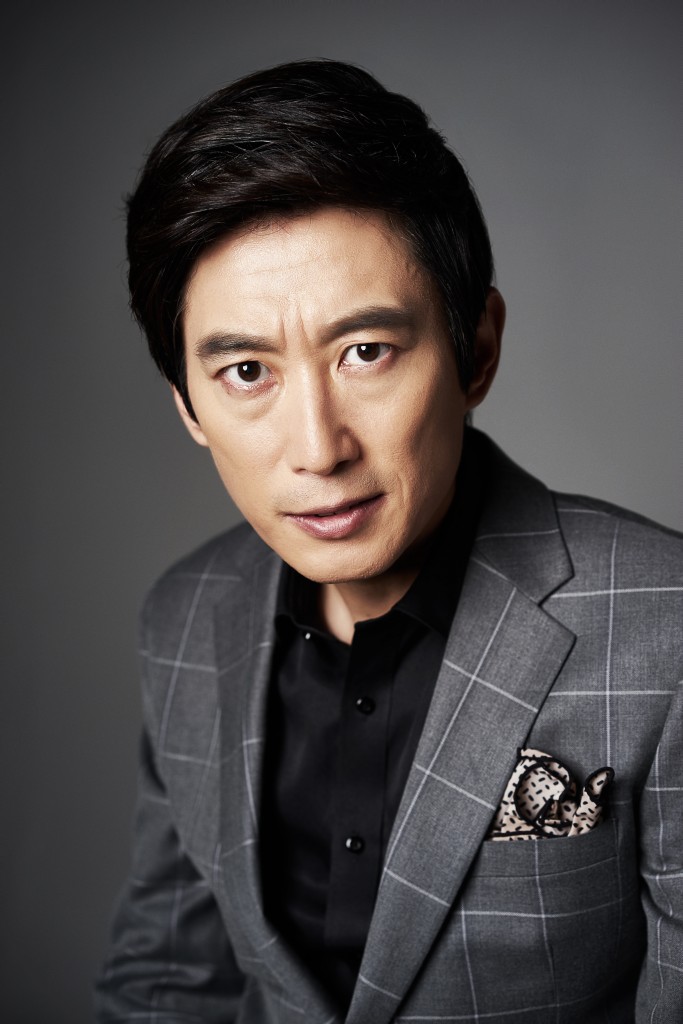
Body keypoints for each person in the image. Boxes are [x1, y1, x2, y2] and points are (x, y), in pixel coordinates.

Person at [95, 60, 682, 1023]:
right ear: (189, 405)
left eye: (365, 352)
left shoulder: (666, 628)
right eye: (246, 371)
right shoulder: (184, 617)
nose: (317, 448)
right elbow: (166, 987)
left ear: (475, 350)